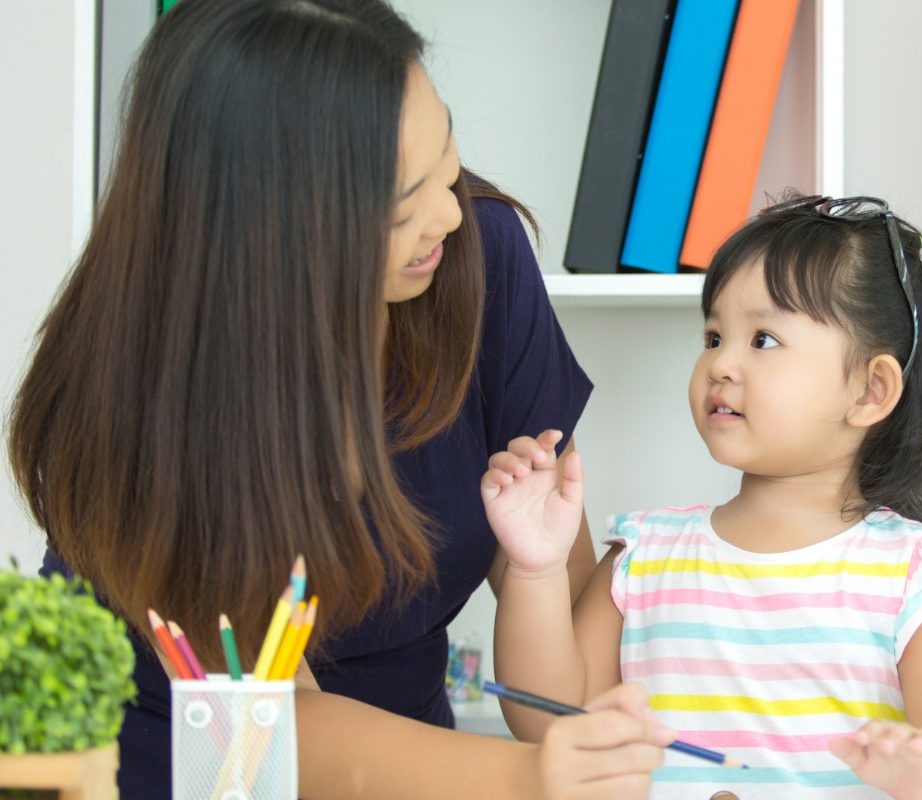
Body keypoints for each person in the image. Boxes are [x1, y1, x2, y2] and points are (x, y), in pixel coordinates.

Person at [7, 1, 670, 797]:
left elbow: (557, 633)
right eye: (402, 200)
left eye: (446, 147)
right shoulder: (160, 386)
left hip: (426, 768)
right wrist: (529, 776)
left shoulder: (471, 256)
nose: (450, 212)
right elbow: (261, 731)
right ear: (274, 233)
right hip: (194, 770)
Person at [485, 193, 922, 798]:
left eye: (764, 341)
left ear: (869, 390)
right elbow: (548, 721)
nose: (721, 363)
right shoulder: (643, 558)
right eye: (713, 335)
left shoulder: (915, 579)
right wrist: (535, 569)